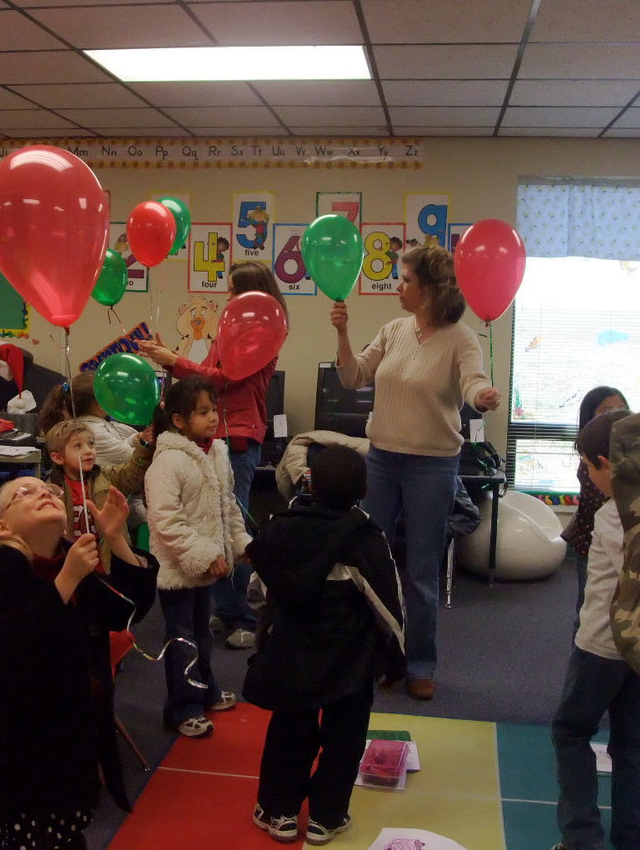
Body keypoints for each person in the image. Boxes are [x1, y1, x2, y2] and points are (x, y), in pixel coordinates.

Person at [329, 240, 500, 701]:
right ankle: (380, 657)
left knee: (421, 573)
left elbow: (473, 382)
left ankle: (420, 664)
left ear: (430, 288)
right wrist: (343, 333)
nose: (398, 287)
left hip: (432, 466)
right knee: (371, 563)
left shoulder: (461, 338)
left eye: (406, 280)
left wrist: (482, 396)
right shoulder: (393, 330)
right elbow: (353, 377)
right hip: (382, 460)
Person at [0, 477, 157, 850]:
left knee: (61, 834)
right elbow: (10, 644)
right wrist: (67, 579)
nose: (44, 493)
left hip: (64, 742)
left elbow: (127, 611)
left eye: (49, 490)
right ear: (1, 526)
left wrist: (115, 539)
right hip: (8, 747)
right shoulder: (1, 569)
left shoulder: (69, 560)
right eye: (24, 493)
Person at [245, 445, 406, 846]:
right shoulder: (365, 536)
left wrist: (266, 634)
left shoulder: (280, 528)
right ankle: (326, 817)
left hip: (291, 654)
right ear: (364, 489)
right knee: (344, 739)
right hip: (349, 662)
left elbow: (259, 591)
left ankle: (278, 811)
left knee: (288, 731)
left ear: (310, 484)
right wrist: (396, 659)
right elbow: (388, 605)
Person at [551, 381, 640, 850]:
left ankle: (581, 838)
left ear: (606, 465)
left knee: (571, 732)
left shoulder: (612, 515)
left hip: (602, 646)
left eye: (590, 468)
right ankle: (633, 838)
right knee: (633, 741)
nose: (589, 477)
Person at [138, 260, 287, 651]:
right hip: (215, 436)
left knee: (228, 522)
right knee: (206, 521)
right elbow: (205, 378)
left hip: (237, 435)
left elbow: (226, 380)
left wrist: (174, 360)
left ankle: (243, 616)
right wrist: (170, 358)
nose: (229, 298)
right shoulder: (230, 331)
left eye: (235, 290)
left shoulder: (263, 333)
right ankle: (226, 606)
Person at [145, 374, 250, 738]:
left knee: (202, 632)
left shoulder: (217, 452)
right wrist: (205, 555)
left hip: (206, 568)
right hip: (178, 569)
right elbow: (165, 521)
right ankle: (181, 707)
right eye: (202, 412)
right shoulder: (167, 462)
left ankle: (204, 690)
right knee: (181, 639)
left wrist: (240, 543)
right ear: (178, 420)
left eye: (213, 410)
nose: (212, 418)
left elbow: (228, 505)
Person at [561, 387, 629, 616]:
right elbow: (600, 499)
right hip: (589, 542)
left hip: (613, 542)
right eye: (606, 411)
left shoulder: (628, 454)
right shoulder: (590, 458)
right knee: (589, 604)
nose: (615, 415)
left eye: (621, 409)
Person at [43, 418, 153, 540]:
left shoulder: (105, 475)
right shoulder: (51, 490)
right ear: (58, 458)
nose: (88, 451)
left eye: (91, 444)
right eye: (78, 446)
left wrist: (144, 446)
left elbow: (132, 473)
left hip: (109, 550)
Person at [37, 372, 150, 468]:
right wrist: (146, 445)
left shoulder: (96, 425)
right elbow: (129, 456)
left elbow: (120, 447)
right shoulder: (94, 430)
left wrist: (133, 440)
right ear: (100, 404)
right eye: (110, 394)